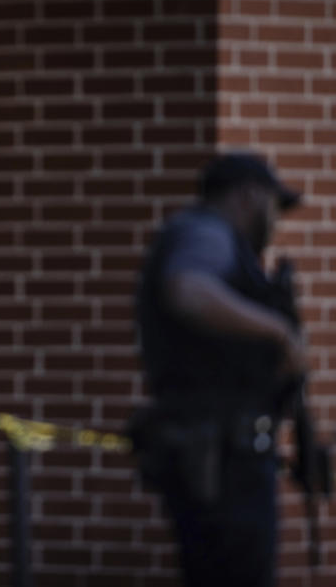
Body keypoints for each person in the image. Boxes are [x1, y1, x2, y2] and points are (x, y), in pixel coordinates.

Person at [132, 152, 307, 586]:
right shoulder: (205, 234)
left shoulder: (211, 238)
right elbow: (187, 290)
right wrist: (279, 332)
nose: (275, 220)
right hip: (221, 462)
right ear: (250, 195)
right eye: (273, 206)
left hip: (225, 456)